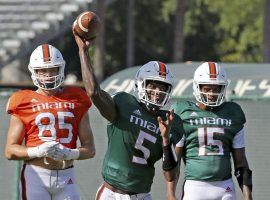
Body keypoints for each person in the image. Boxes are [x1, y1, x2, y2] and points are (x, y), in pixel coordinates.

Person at [73, 30, 184, 200]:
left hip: (142, 195)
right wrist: (84, 52)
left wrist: (166, 140)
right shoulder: (125, 103)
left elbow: (170, 175)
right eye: (153, 85)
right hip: (112, 193)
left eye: (162, 88)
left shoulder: (170, 122)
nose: (157, 92)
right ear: (140, 84)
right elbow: (94, 92)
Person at [5, 44, 96, 200]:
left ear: (60, 69)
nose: (47, 75)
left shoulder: (76, 98)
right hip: (35, 176)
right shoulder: (22, 100)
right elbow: (10, 151)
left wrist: (69, 153)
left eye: (52, 69)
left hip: (67, 176)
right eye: (42, 70)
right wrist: (38, 151)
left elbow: (90, 149)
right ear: (34, 71)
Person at [166, 62, 253, 200]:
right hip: (195, 187)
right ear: (197, 86)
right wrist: (170, 193)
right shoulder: (183, 113)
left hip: (225, 187)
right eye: (207, 88)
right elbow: (174, 163)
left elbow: (241, 163)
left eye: (216, 89)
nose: (211, 94)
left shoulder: (232, 113)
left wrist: (248, 197)